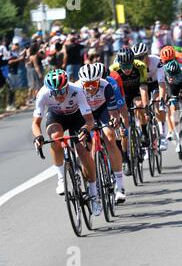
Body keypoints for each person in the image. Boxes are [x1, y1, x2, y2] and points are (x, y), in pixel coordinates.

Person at [32, 70, 102, 216]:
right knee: (56, 138)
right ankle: (61, 177)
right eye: (55, 92)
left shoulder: (77, 90)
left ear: (67, 87)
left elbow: (90, 120)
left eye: (62, 91)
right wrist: (38, 137)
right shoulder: (43, 93)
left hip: (77, 117)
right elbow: (36, 123)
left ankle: (94, 194)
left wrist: (85, 129)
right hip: (56, 117)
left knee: (83, 152)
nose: (59, 95)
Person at [75, 64, 127, 204]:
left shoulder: (107, 85)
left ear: (99, 80)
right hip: (86, 113)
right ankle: (93, 183)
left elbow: (113, 112)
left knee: (110, 136)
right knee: (86, 148)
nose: (91, 87)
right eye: (87, 83)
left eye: (94, 83)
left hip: (102, 110)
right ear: (82, 82)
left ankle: (120, 186)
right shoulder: (77, 88)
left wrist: (115, 120)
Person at [109, 48, 149, 176]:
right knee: (123, 127)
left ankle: (144, 132)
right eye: (123, 66)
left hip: (136, 90)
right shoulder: (113, 69)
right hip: (122, 93)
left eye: (129, 65)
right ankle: (125, 155)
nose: (126, 69)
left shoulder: (141, 66)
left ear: (133, 62)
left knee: (139, 105)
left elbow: (143, 87)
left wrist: (145, 105)